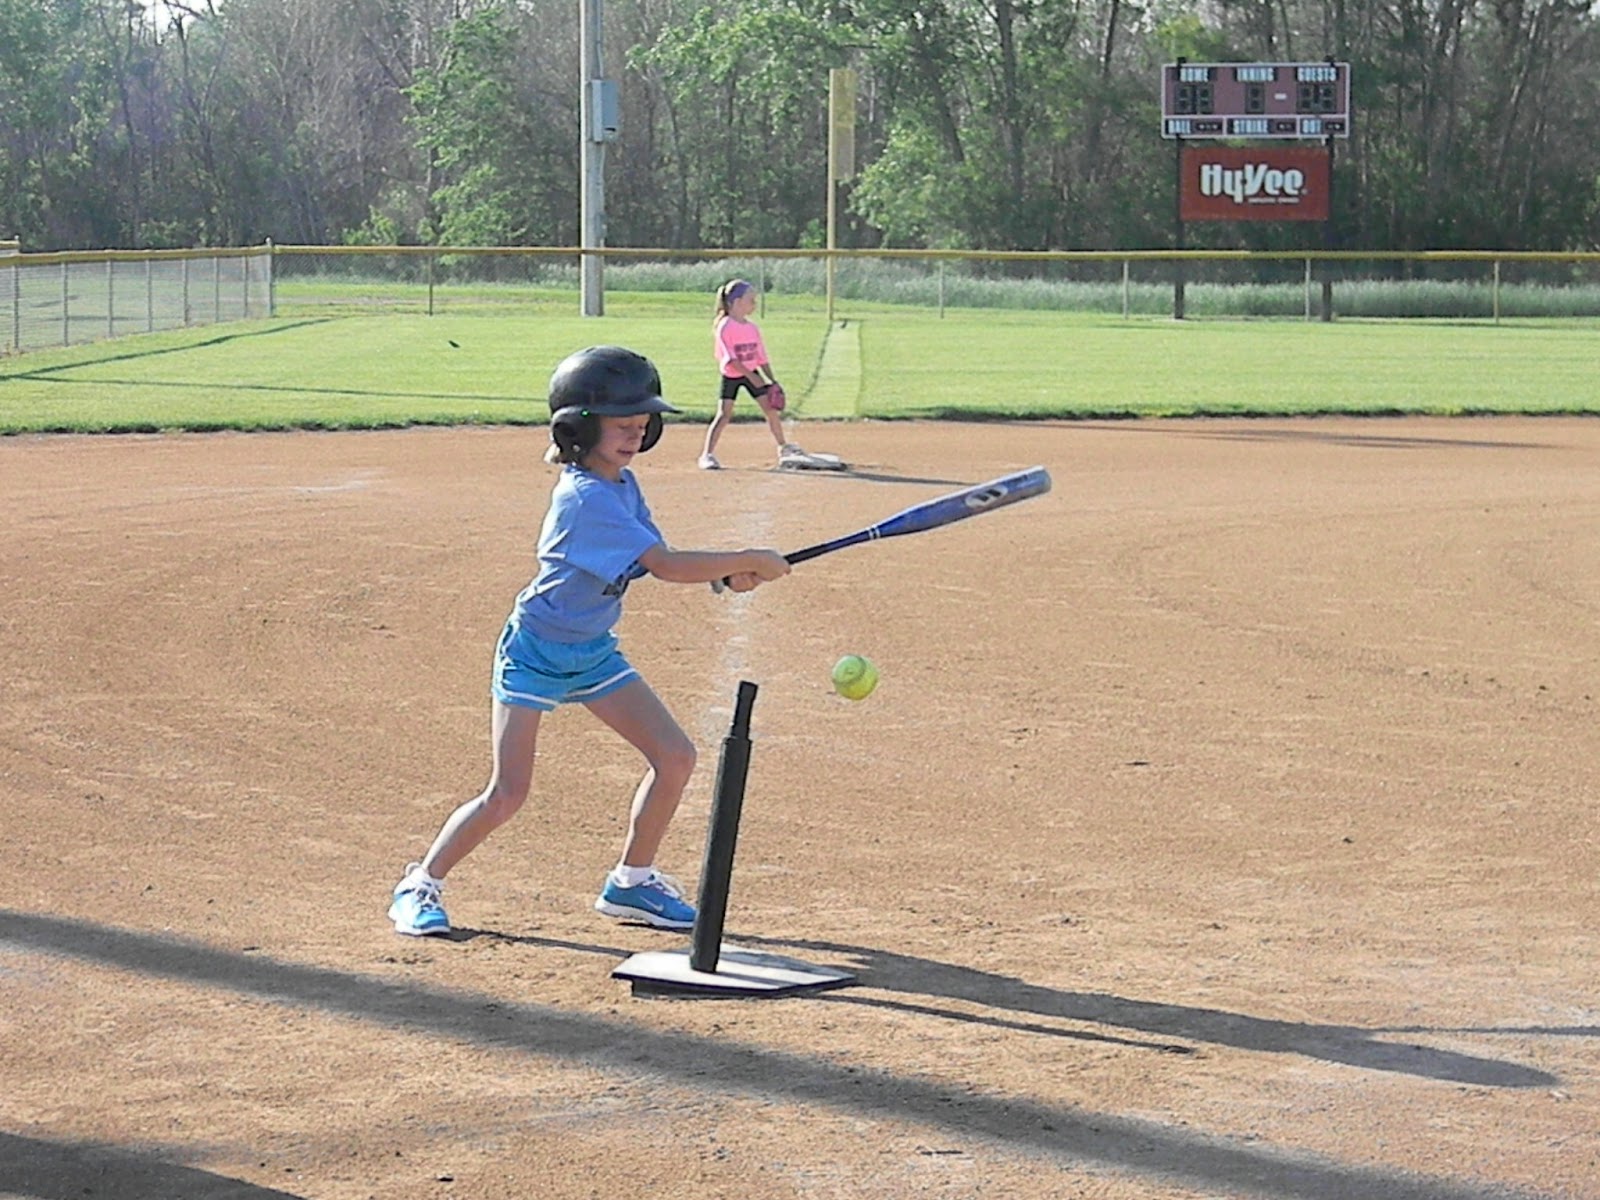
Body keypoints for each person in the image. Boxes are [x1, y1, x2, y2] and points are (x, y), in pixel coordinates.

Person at [388, 345, 791, 937]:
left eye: (642, 424)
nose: (635, 433)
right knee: (508, 793)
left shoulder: (622, 485)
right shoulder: (585, 496)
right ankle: (420, 883)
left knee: (675, 757)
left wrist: (727, 575)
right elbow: (667, 563)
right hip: (537, 651)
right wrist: (746, 556)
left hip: (593, 651)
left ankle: (632, 883)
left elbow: (654, 561)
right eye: (621, 424)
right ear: (580, 427)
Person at [700, 279, 830, 471]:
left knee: (771, 410)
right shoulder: (725, 326)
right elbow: (730, 360)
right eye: (750, 300)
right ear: (736, 302)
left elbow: (761, 358)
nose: (754, 304)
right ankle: (707, 455)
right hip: (732, 376)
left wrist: (772, 380)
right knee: (724, 415)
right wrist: (753, 377)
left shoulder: (752, 328)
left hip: (753, 372)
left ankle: (783, 447)